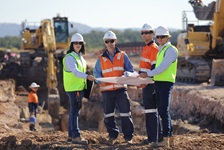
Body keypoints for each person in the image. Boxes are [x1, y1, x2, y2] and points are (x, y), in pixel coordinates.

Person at [139, 26, 178, 148]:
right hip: (159, 83)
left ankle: (165, 139)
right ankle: (169, 138)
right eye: (159, 37)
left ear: (168, 37)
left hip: (166, 83)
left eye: (163, 37)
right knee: (162, 111)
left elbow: (162, 68)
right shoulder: (161, 50)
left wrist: (148, 74)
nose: (160, 39)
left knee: (163, 111)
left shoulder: (171, 50)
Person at [93, 31, 134, 145]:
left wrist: (125, 75)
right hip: (107, 91)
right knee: (108, 115)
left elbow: (130, 70)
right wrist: (100, 80)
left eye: (111, 41)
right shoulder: (100, 59)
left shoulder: (122, 55)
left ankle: (128, 137)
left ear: (115, 41)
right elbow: (96, 74)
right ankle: (112, 136)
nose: (109, 43)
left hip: (121, 90)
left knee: (126, 113)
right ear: (105, 43)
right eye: (107, 41)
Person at [63, 33, 95, 144]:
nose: (78, 44)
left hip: (79, 88)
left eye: (80, 43)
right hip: (73, 89)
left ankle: (71, 136)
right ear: (72, 44)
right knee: (75, 112)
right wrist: (87, 76)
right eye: (76, 43)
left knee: (74, 111)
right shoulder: (70, 58)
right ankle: (76, 136)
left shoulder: (79, 57)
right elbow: (76, 72)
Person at [138, 23, 159, 144]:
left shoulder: (153, 48)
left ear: (152, 34)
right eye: (142, 33)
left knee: (152, 111)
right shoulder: (146, 48)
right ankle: (151, 137)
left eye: (147, 33)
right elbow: (145, 68)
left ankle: (154, 138)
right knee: (149, 111)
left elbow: (154, 68)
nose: (144, 35)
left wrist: (145, 78)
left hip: (151, 84)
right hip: (145, 84)